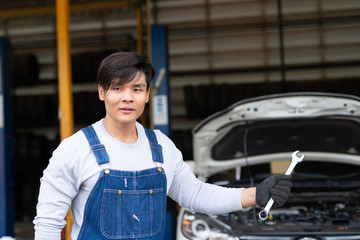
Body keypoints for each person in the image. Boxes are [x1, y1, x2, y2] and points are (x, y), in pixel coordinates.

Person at [33, 51, 292, 240]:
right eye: (117, 88)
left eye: (136, 89)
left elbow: (195, 195)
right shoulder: (75, 149)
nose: (127, 98)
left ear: (147, 95)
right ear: (102, 92)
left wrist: (255, 194)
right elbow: (48, 223)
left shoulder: (161, 148)